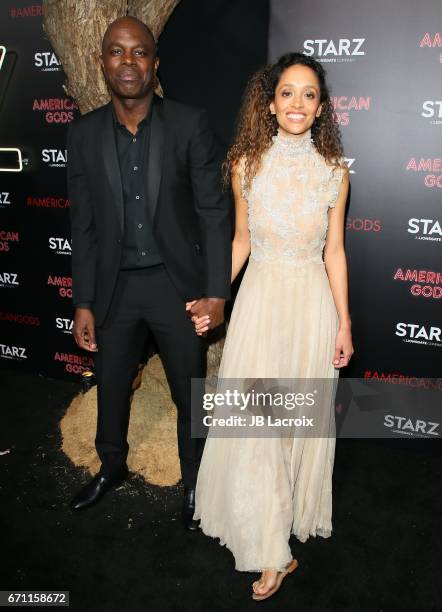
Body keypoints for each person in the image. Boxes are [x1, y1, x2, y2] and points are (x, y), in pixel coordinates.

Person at [191, 53, 353, 599]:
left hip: (310, 308)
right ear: (270, 102)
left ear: (322, 108)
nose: (298, 104)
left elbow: (335, 251)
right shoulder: (245, 164)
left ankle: (275, 537)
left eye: (309, 95)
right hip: (259, 302)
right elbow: (241, 240)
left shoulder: (335, 172)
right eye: (288, 93)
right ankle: (269, 548)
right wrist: (216, 297)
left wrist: (345, 323)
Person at [67, 16, 231, 530]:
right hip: (115, 289)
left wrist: (216, 292)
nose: (128, 62)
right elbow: (84, 227)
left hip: (175, 288)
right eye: (116, 52)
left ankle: (194, 482)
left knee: (190, 392)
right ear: (102, 62)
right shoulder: (84, 133)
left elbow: (213, 213)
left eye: (139, 52)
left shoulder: (188, 123)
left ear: (155, 64)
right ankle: (110, 465)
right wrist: (83, 301)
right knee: (111, 384)